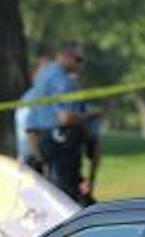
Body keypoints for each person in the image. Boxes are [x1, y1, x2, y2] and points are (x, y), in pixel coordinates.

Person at [20, 42, 101, 203]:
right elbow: (65, 118)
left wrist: (39, 158)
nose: (80, 65)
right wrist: (91, 115)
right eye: (78, 60)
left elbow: (31, 125)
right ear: (65, 56)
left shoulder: (43, 76)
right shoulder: (63, 82)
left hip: (41, 150)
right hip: (61, 148)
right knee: (65, 202)